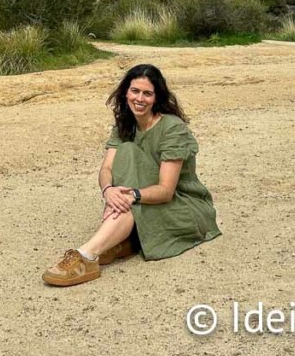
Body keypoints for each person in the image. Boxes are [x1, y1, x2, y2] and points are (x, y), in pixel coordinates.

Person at [42, 63, 221, 286]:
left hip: (182, 204)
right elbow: (106, 169)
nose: (140, 98)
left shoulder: (172, 128)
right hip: (139, 196)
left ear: (157, 97)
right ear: (126, 91)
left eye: (148, 93)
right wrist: (109, 191)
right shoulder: (124, 124)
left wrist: (131, 195)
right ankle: (121, 240)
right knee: (125, 155)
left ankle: (86, 255)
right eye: (135, 91)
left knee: (129, 177)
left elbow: (166, 191)